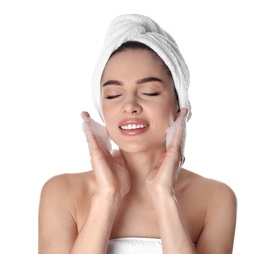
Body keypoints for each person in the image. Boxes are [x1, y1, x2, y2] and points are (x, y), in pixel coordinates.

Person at [38, 14, 237, 254]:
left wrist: (164, 196)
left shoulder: (215, 199)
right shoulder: (61, 193)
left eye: (150, 92)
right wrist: (107, 196)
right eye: (113, 95)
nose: (130, 105)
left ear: (179, 105)